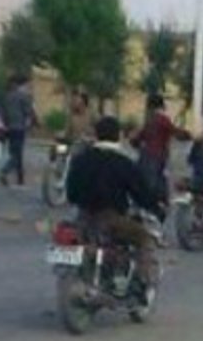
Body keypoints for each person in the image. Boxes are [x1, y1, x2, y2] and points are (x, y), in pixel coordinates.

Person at [65, 116, 164, 291]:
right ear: (118, 135)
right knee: (144, 238)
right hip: (111, 220)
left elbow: (71, 192)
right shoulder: (123, 163)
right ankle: (144, 283)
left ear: (96, 134)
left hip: (83, 218)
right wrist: (157, 207)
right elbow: (142, 194)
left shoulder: (80, 160)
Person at [132, 94, 188, 194]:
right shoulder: (163, 119)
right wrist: (189, 135)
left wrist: (138, 145)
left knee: (147, 183)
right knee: (156, 184)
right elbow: (176, 133)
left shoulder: (149, 120)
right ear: (161, 105)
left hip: (145, 156)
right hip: (159, 156)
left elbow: (137, 139)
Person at [1, 75, 37, 186]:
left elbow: (4, 113)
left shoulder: (7, 96)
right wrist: (35, 122)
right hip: (19, 127)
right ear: (23, 85)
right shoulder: (24, 96)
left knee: (14, 152)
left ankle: (20, 178)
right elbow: (29, 112)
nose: (29, 87)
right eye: (28, 84)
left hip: (8, 128)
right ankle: (5, 171)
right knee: (17, 154)